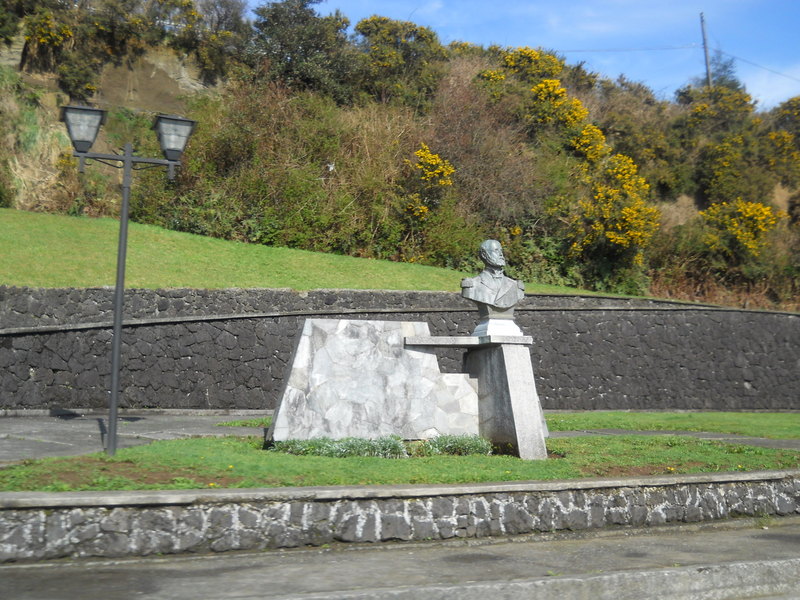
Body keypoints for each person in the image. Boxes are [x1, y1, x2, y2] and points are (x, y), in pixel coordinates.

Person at [461, 239, 524, 309]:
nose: (501, 254)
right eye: (496, 250)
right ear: (484, 255)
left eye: (501, 251)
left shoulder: (515, 285)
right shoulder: (473, 285)